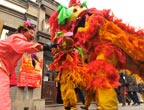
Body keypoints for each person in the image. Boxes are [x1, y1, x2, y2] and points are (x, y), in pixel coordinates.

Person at [0, 21, 56, 110]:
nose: (33, 36)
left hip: (5, 69)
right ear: (24, 31)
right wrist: (44, 47)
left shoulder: (19, 40)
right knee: (3, 99)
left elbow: (27, 49)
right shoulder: (18, 37)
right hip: (1, 67)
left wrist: (35, 58)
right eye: (31, 32)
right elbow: (24, 46)